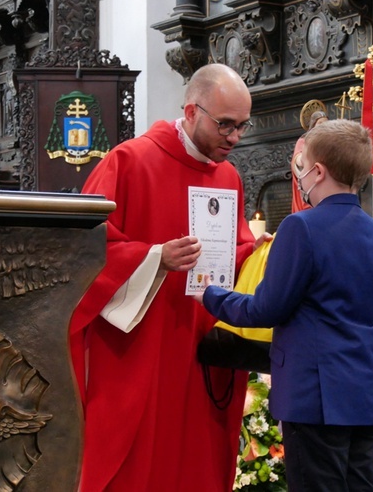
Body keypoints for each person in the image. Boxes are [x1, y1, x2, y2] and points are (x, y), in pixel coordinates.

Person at [69, 63, 261, 491]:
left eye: (242, 126)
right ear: (191, 111)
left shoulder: (227, 176)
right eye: (225, 125)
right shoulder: (129, 161)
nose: (234, 138)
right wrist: (155, 257)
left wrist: (257, 253)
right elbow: (83, 248)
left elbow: (237, 248)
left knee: (196, 458)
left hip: (200, 342)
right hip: (138, 348)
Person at [195, 119, 373, 491]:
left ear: (317, 172)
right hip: (365, 391)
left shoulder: (300, 227)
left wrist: (209, 294)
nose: (299, 176)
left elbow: (266, 310)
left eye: (301, 168)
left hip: (315, 395)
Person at [291, 110, 328, 213]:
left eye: (326, 123)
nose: (323, 126)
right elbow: (297, 161)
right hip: (308, 185)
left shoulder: (328, 143)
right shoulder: (304, 141)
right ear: (313, 125)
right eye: (320, 123)